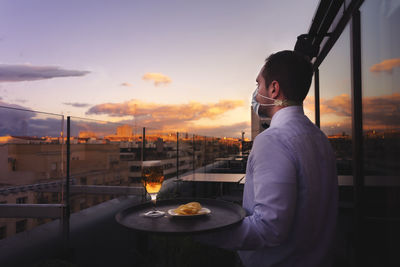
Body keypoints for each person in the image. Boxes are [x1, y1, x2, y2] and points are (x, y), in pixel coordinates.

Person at [197, 50, 338, 267]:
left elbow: (269, 229)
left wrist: (200, 229)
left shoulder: (272, 140)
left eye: (258, 84)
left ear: (273, 89)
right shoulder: (319, 138)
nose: (255, 92)